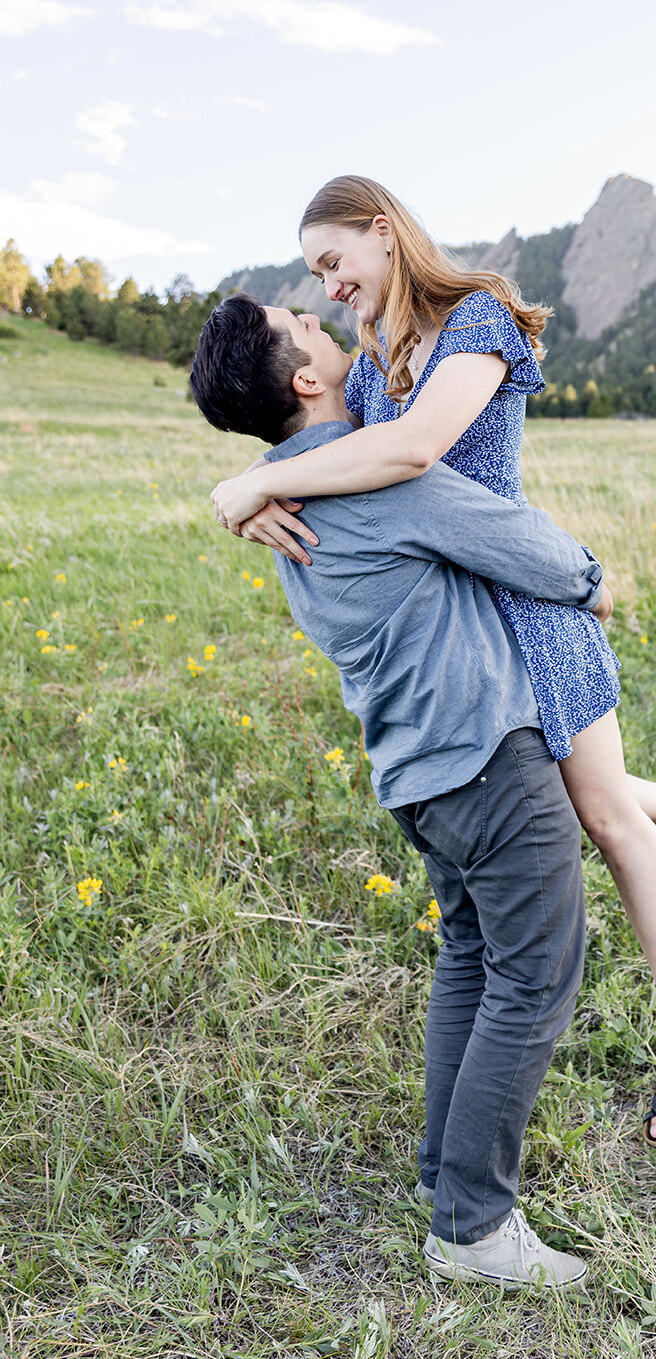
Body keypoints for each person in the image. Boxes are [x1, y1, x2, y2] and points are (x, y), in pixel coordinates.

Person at [209, 177, 656, 1147]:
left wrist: (254, 480)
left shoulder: (476, 320)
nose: (329, 287)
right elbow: (339, 450)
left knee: (603, 817)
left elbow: (410, 453)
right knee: (577, 794)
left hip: (528, 605)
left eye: (334, 261)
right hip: (459, 630)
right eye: (316, 277)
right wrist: (254, 491)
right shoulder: (368, 358)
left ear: (383, 232)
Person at [190, 292, 614, 1288]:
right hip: (484, 753)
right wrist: (594, 581)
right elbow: (517, 542)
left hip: (416, 771)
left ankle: (443, 1175)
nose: (314, 308)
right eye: (299, 314)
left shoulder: (274, 490)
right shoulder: (369, 475)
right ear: (305, 377)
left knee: (472, 955)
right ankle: (471, 1227)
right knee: (536, 972)